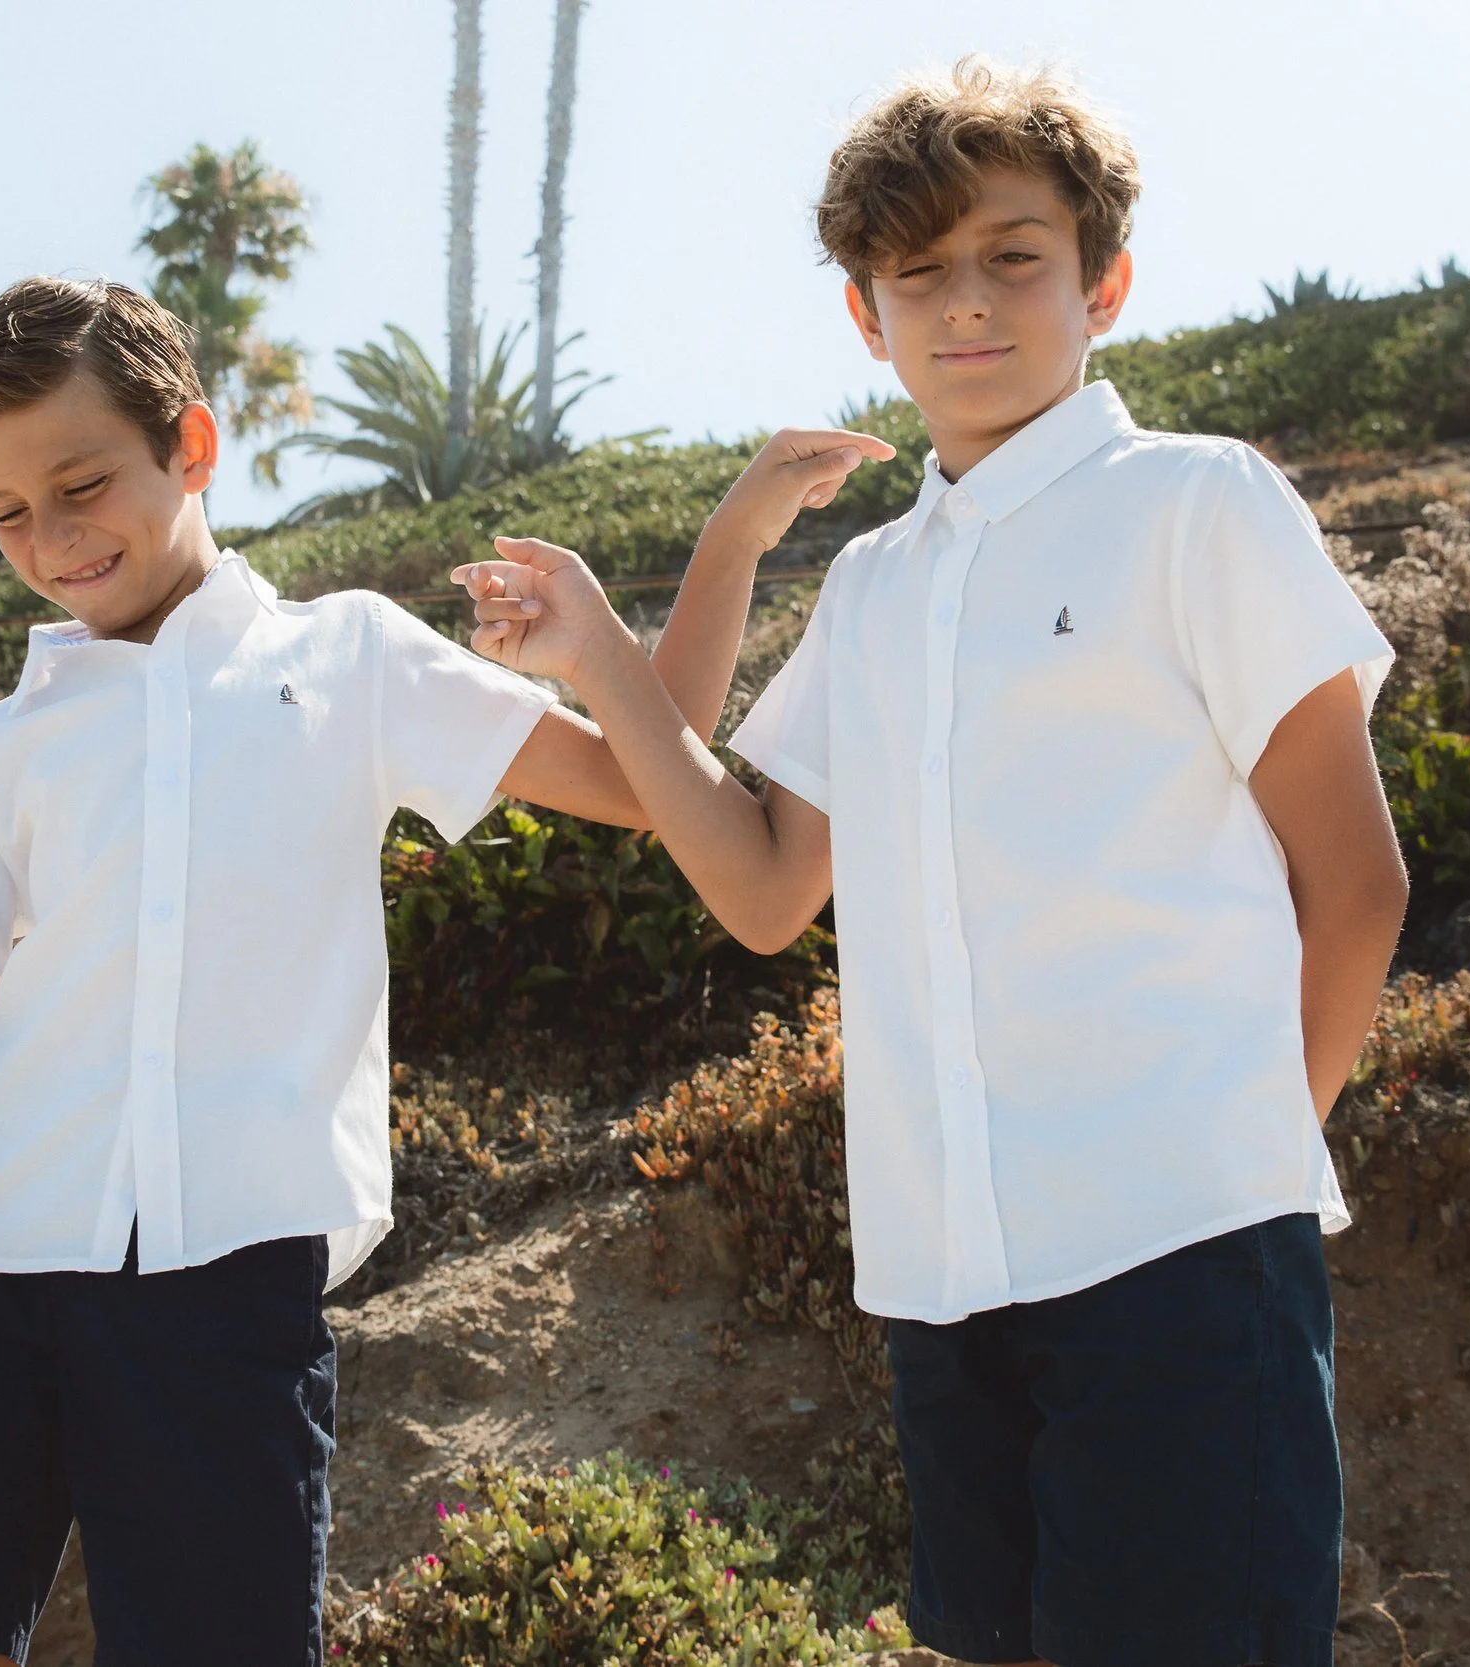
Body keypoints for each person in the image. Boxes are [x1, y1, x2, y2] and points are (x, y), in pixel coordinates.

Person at [452, 57, 1410, 1667]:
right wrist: (602, 655)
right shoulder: (874, 588)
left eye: (1014, 257)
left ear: (1104, 283)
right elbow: (766, 888)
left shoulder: (1198, 502)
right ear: (866, 313)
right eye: (919, 272)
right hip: (946, 1282)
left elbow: (1360, 884)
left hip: (1184, 1252)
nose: (966, 301)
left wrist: (1239, 1161)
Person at [0, 276, 644, 1666]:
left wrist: (680, 583)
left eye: (82, 485)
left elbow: (650, 785)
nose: (52, 538)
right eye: (7, 512)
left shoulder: (355, 656)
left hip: (229, 1276)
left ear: (191, 444)